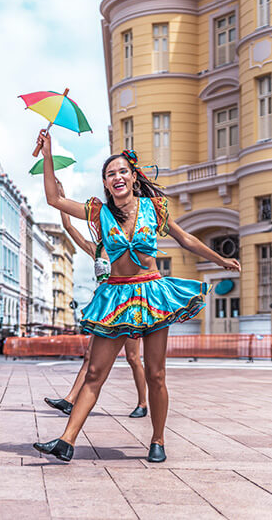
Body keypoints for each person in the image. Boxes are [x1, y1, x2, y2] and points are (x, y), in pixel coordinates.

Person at [32, 131, 240, 463]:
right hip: (115, 297)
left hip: (152, 293)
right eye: (110, 173)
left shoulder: (153, 208)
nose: (117, 177)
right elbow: (54, 201)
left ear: (132, 176)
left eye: (122, 171)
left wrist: (219, 260)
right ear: (105, 182)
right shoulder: (97, 211)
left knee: (156, 373)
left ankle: (157, 440)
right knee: (95, 372)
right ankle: (66, 441)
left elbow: (185, 238)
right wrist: (47, 153)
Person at [43, 179, 148, 419]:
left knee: (133, 357)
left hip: (130, 306)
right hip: (105, 308)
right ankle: (70, 399)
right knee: (90, 355)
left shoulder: (126, 246)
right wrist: (62, 197)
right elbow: (70, 228)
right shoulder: (96, 249)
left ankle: (143, 402)